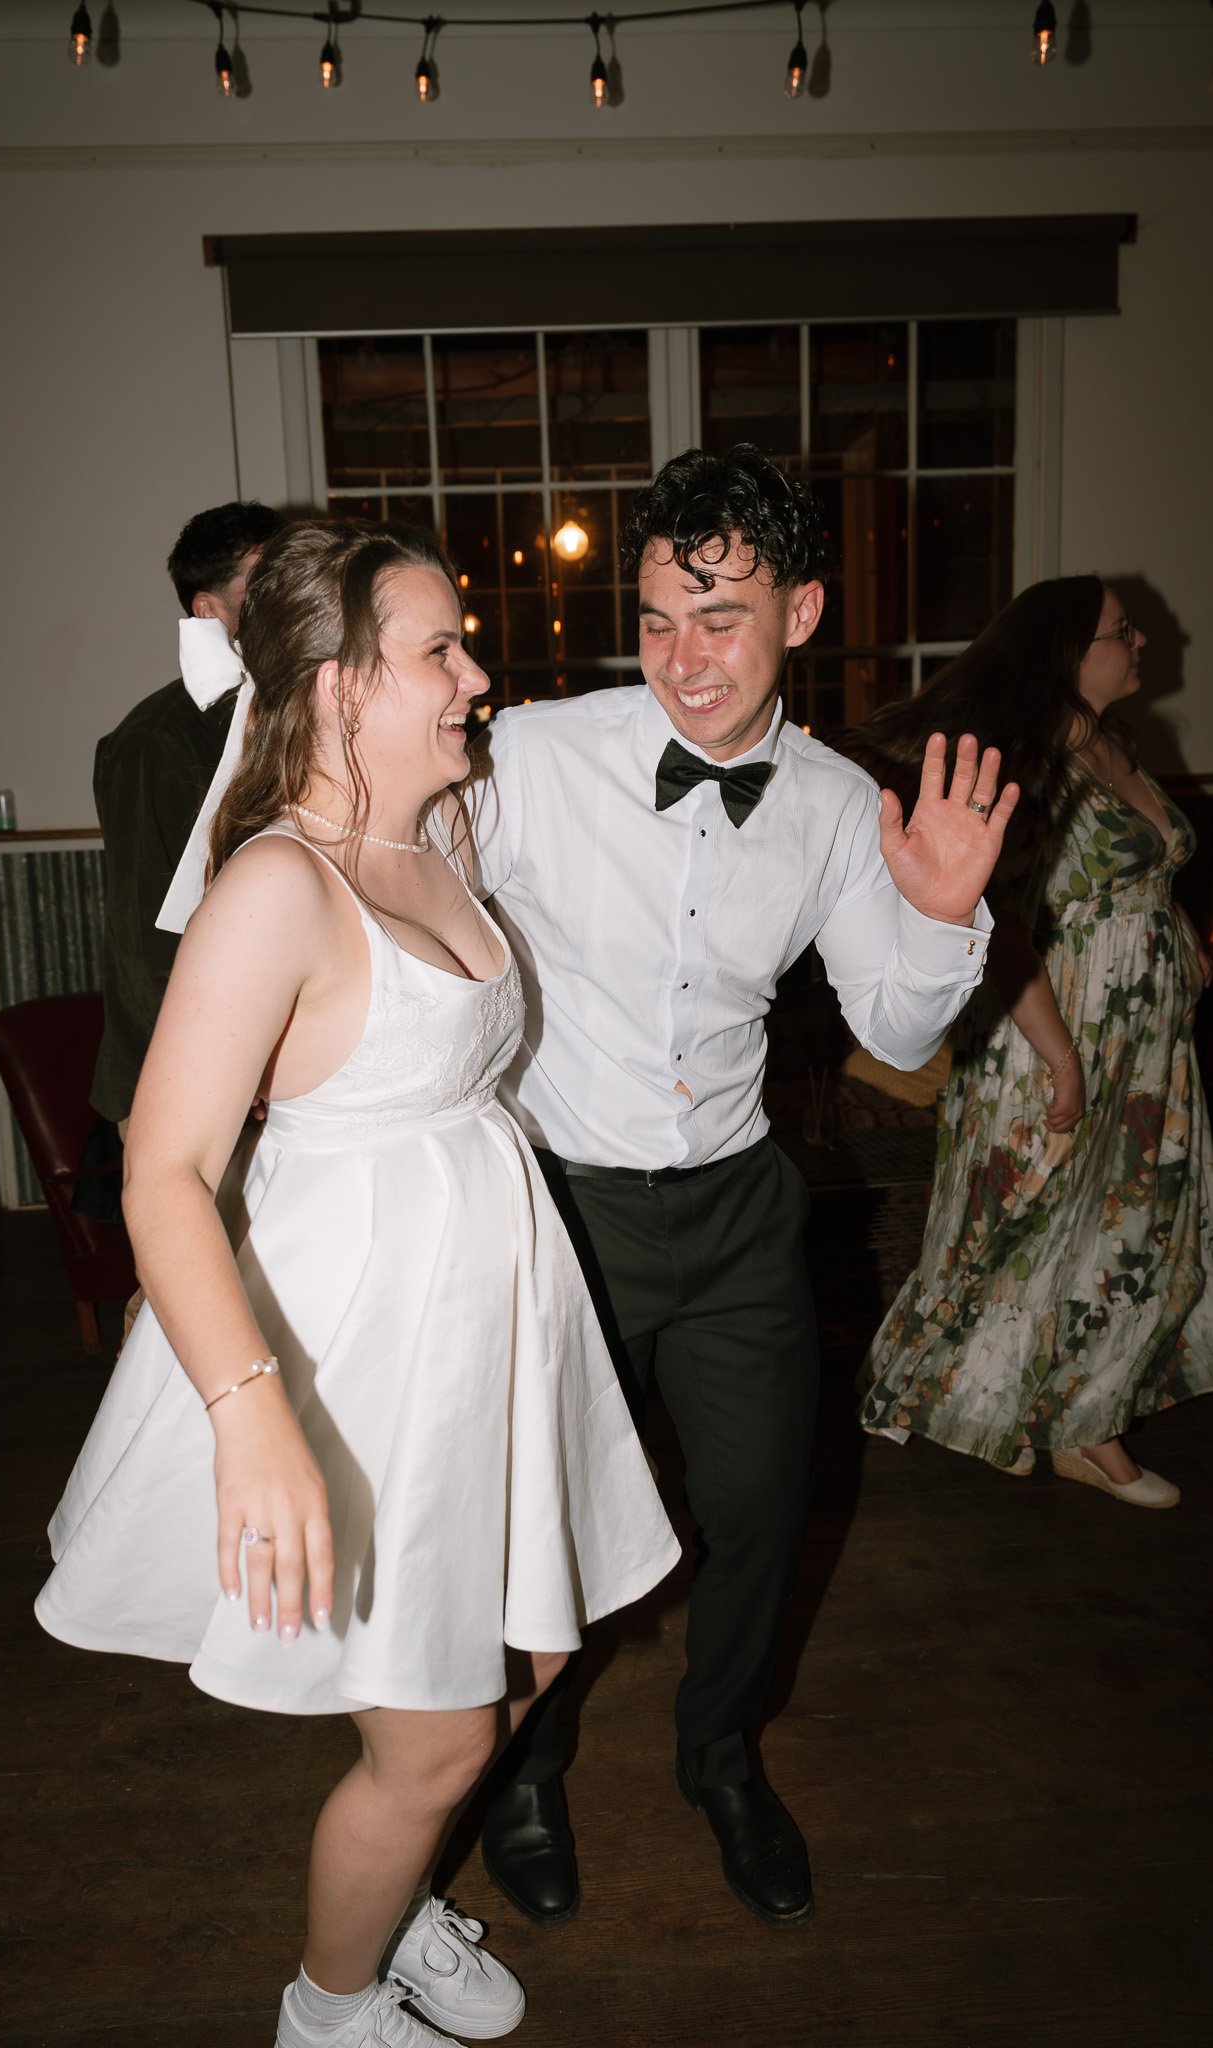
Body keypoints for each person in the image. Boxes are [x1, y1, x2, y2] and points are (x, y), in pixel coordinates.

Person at [35, 518, 681, 2048]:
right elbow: (165, 1172)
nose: (475, 675)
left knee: (523, 1660)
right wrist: (252, 1416)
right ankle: (329, 2013)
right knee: (437, 1743)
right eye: (440, 652)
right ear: (334, 688)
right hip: (360, 1338)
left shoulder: (435, 828)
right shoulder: (277, 886)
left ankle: (390, 1911)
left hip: (489, 1315)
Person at [469, 444, 1017, 1932]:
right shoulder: (532, 756)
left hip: (733, 1213)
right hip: (562, 1211)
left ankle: (716, 1755)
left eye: (721, 616)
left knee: (764, 1514)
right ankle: (524, 1768)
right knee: (555, 1532)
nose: (682, 658)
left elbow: (897, 1030)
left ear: (804, 611)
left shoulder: (840, 803)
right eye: (655, 618)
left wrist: (943, 916)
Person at [850, 576, 1213, 1506]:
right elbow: (1003, 923)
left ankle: (1080, 1425)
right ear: (1064, 652)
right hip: (1049, 1031)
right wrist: (1060, 1057)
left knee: (1123, 1224)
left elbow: (1142, 872)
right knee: (1016, 1227)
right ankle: (995, 1406)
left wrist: (1178, 940)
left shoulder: (1116, 743)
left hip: (1145, 1038)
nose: (1138, 642)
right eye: (1118, 631)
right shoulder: (1022, 764)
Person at [90, 498, 284, 1130]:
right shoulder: (156, 739)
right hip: (180, 1068)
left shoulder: (296, 716)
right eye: (267, 585)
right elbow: (143, 937)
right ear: (209, 610)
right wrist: (223, 1063)